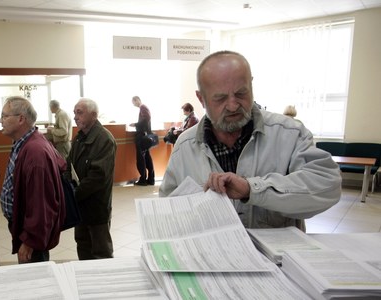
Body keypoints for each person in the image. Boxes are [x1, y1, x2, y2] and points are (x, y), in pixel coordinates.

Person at [159, 50, 342, 230]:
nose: (232, 105)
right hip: (212, 256)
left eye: (241, 94)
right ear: (201, 99)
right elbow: (167, 209)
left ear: (251, 86)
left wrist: (253, 189)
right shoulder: (185, 146)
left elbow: (328, 186)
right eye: (220, 98)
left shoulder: (290, 134)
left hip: (273, 259)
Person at [0, 96, 66, 264]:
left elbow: (41, 204)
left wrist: (29, 241)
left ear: (20, 119)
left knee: (36, 280)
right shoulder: (25, 143)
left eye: (5, 116)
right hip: (23, 227)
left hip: (31, 238)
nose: (0, 120)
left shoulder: (35, 153)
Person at [67, 98, 117, 260]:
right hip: (80, 206)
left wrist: (73, 195)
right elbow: (69, 165)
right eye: (74, 112)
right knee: (83, 246)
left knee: (101, 252)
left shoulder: (104, 139)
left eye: (79, 112)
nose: (75, 117)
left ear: (94, 115)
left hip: (96, 207)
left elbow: (98, 177)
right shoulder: (79, 138)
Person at [129, 96, 155, 186]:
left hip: (141, 136)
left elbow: (146, 118)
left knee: (141, 158)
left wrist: (135, 124)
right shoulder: (144, 107)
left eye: (133, 102)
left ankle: (143, 179)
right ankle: (151, 179)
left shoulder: (143, 107)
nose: (133, 104)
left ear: (137, 100)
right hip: (146, 136)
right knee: (147, 157)